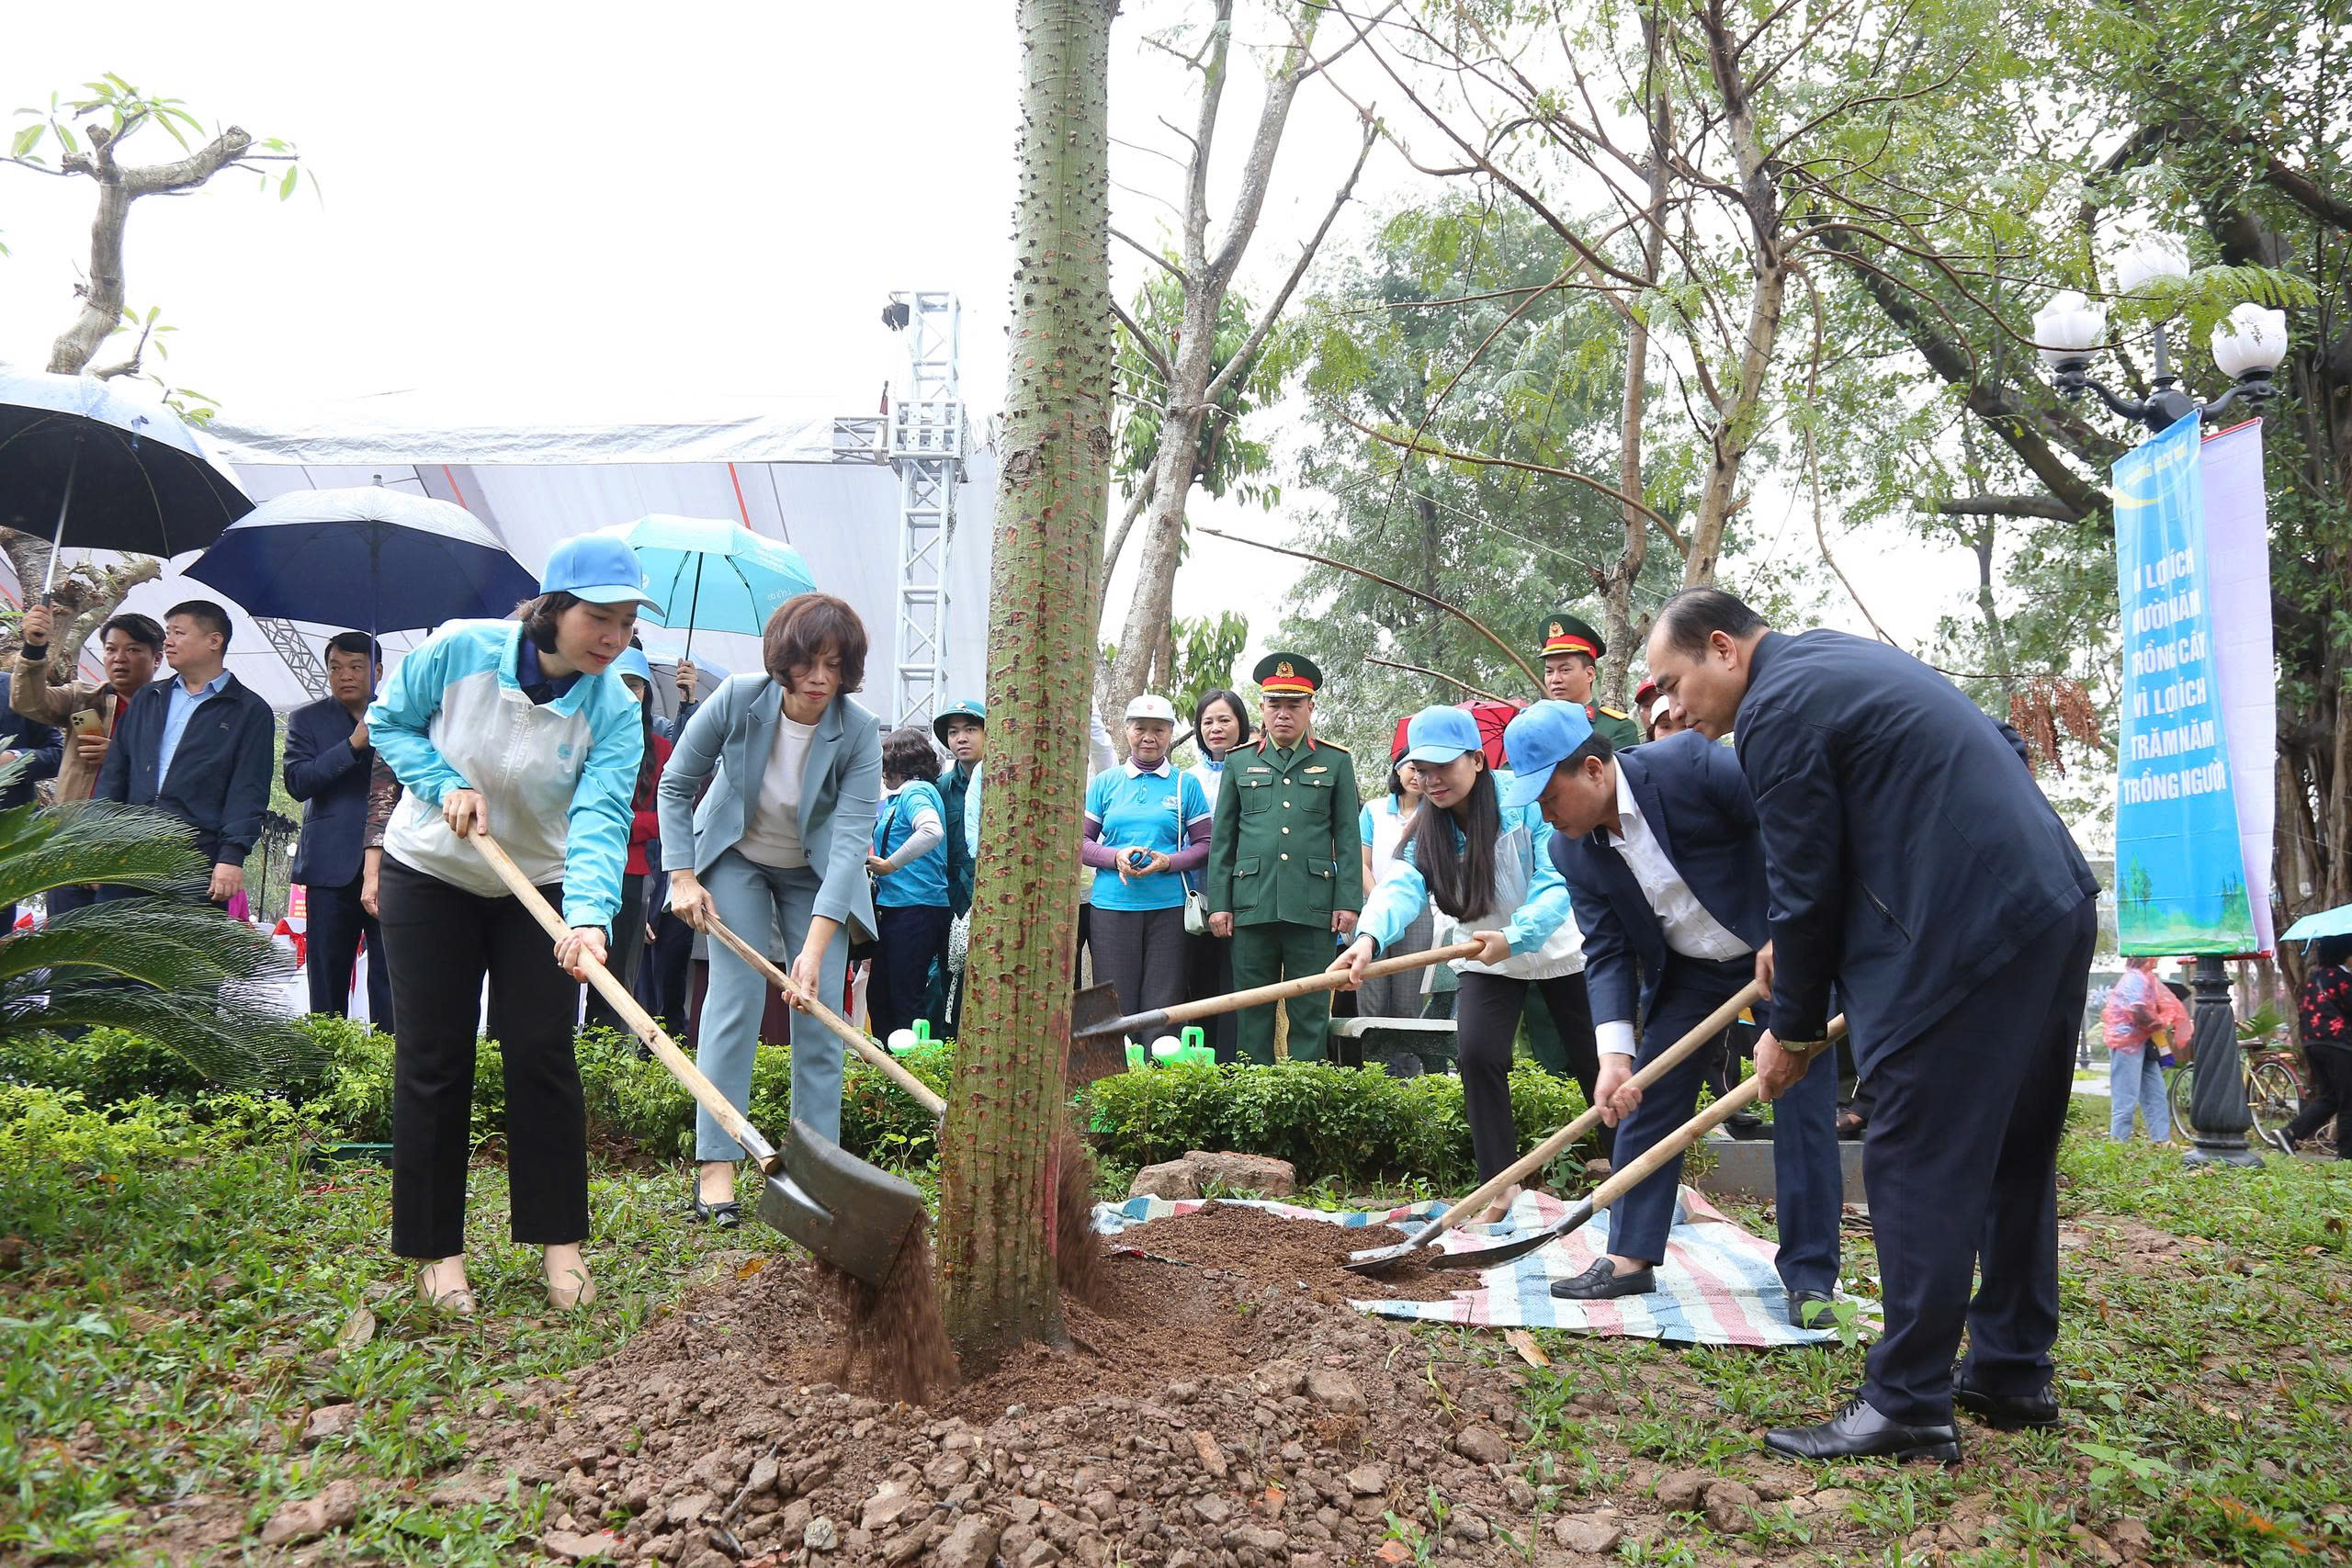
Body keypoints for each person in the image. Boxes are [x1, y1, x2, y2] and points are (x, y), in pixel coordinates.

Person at [1645, 587, 2097, 1465]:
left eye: (1672, 681)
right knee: (2011, 1149)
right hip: (2047, 901)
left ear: (1722, 649)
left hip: (1962, 933)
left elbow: (1806, 882)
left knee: (1916, 1154)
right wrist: (1791, 944)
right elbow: (1979, 753)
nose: (1669, 706)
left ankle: (1908, 1401)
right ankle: (2009, 1366)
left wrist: (1796, 1031)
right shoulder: (1835, 661)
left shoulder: (1774, 710)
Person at [368, 536, 656, 1314]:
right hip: (429, 873)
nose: (613, 637)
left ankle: (560, 1242)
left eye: (627, 622)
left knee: (541, 1052)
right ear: (553, 609)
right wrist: (442, 782)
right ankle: (436, 1249)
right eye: (599, 617)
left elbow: (599, 818)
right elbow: (389, 721)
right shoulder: (459, 649)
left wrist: (590, 920)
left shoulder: (615, 707)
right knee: (434, 1057)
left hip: (542, 881)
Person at [1506, 702, 1841, 1321]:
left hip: (1778, 950)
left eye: (1551, 797)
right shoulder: (1573, 850)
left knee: (1798, 1096)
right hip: (1691, 972)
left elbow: (1787, 824)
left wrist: (1789, 931)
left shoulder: (1688, 764)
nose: (1546, 814)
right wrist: (1613, 1057)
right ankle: (1630, 1257)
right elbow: (1606, 950)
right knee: (1647, 1089)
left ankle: (1811, 1275)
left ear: (1593, 769)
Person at [661, 593, 881, 1226]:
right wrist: (681, 876)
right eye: (809, 662)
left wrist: (811, 953)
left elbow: (847, 844)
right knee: (734, 996)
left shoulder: (859, 731)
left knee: (820, 1014)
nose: (819, 679)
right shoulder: (735, 697)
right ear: (783, 660)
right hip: (737, 857)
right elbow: (677, 783)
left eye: (834, 666)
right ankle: (716, 1167)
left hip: (815, 874)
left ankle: (815, 1175)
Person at [1336, 705, 1592, 1211]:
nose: (1431, 780)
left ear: (1477, 760)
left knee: (1593, 1059)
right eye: (1421, 770)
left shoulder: (1524, 800)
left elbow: (1556, 878)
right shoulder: (1425, 833)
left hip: (1556, 943)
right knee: (1478, 1055)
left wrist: (1516, 936)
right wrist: (1366, 940)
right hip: (1481, 949)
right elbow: (1399, 890)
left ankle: (1646, 1171)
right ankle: (1499, 1186)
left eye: (1443, 767)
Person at [1205, 654, 1362, 1062]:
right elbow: (1223, 839)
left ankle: (1304, 1095)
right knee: (1252, 1009)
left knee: (1309, 1008)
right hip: (1250, 903)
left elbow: (1347, 837)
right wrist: (1219, 904)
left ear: (1310, 708)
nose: (1283, 714)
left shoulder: (1335, 760)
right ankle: (1259, 1099)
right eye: (1275, 704)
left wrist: (1347, 901)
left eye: (1294, 705)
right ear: (1262, 708)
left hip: (1313, 903)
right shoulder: (1240, 761)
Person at [94, 600, 276, 910]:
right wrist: (99, 840)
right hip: (128, 851)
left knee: (184, 953)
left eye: (179, 632)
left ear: (214, 641)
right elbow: (115, 773)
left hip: (195, 855)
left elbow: (248, 789)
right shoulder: (149, 698)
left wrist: (231, 857)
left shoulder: (249, 710)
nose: (168, 641)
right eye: (167, 632)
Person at [14, 604, 164, 919]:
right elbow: (29, 701)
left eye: (133, 649)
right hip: (71, 845)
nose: (118, 658)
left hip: (130, 852)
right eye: (111, 649)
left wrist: (121, 757)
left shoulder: (170, 711)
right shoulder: (83, 697)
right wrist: (35, 648)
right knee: (64, 950)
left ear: (157, 659)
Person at [1083, 694, 1213, 1048]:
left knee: (1163, 1005)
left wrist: (1168, 861)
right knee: (1115, 1007)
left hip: (1169, 910)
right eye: (1140, 728)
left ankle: (1157, 1088)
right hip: (1112, 907)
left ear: (1170, 733)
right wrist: (1115, 857)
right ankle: (1115, 1091)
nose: (1149, 737)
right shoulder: (1105, 783)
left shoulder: (1185, 784)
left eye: (1158, 729)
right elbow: (1080, 843)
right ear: (1126, 731)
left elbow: (1205, 844)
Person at [283, 632, 393, 1023]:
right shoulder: (306, 719)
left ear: (378, 671)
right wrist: (352, 745)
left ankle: (387, 1067)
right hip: (329, 868)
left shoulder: (400, 715)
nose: (344, 675)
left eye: (356, 667)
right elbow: (297, 783)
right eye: (335, 668)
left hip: (394, 864)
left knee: (391, 979)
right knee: (327, 978)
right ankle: (325, 1067)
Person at [583, 647, 670, 1038]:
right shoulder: (581, 732)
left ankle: (609, 1079)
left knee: (617, 985)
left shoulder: (661, 748)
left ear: (646, 692)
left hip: (631, 875)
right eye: (619, 683)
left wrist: (617, 822)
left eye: (635, 685)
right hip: (574, 866)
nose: (627, 692)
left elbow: (668, 817)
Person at [866, 725, 951, 1041]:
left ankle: (909, 1074)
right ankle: (891, 1071)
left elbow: (930, 831)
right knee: (882, 996)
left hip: (916, 908)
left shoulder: (916, 791)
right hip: (899, 909)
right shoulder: (899, 797)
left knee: (904, 999)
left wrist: (889, 865)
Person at [1184, 688, 1250, 1058]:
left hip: (1244, 896)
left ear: (1241, 723)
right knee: (1198, 982)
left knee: (1236, 983)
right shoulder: (1186, 779)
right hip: (1194, 899)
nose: (1216, 729)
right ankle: (1197, 1066)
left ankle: (1231, 1064)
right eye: (1207, 721)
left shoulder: (1258, 771)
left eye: (1224, 719)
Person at [1357, 719, 1435, 1021]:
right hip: (1373, 908)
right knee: (1372, 995)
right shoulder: (1374, 810)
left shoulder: (1436, 812)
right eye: (1411, 768)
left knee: (1408, 999)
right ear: (1398, 770)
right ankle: (1374, 1066)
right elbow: (1362, 863)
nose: (1417, 776)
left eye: (1424, 770)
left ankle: (1407, 1068)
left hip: (1419, 912)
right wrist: (1381, 901)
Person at [2270, 934, 2352, 1158]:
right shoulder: (2343, 978)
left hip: (2312, 1044)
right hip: (2338, 1045)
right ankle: (2346, 1156)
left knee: (2331, 1098)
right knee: (2348, 1099)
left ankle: (2289, 1133)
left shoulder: (2315, 977)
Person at [2100, 955, 2186, 1144]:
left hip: (2142, 1040)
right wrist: (2160, 1022)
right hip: (2127, 1042)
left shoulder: (2144, 979)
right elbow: (2138, 1013)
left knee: (2156, 1092)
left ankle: (2162, 1140)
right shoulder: (2134, 979)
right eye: (2153, 957)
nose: (2157, 960)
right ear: (2144, 958)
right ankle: (2118, 1143)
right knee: (2126, 1096)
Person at [1537, 612, 1640, 750]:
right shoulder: (1538, 727)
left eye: (1565, 670)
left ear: (1589, 674)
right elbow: (1509, 770)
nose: (1555, 679)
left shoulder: (1617, 728)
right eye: (1549, 671)